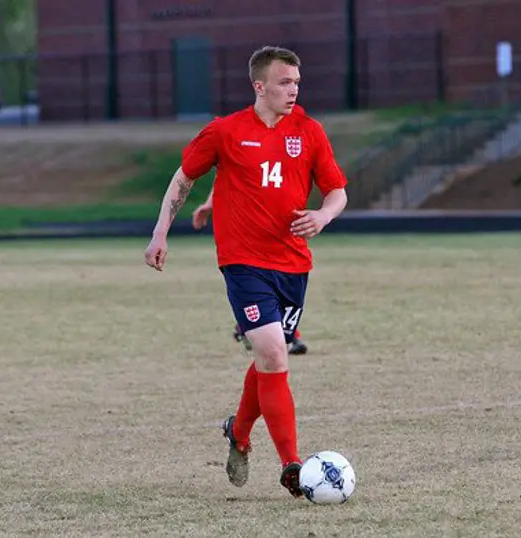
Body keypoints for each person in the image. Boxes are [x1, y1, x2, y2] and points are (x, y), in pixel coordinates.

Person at [144, 45, 348, 498]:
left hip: (294, 265)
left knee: (268, 359)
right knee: (275, 352)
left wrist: (323, 216)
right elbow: (183, 179)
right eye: (283, 82)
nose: (293, 90)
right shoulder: (225, 131)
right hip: (243, 263)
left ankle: (238, 430)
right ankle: (293, 465)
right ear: (260, 86)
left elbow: (337, 191)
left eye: (296, 82)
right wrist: (160, 233)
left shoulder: (310, 132)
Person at [192, 189, 309, 355]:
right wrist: (210, 203)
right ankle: (269, 331)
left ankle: (251, 327)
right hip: (247, 238)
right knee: (258, 291)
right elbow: (226, 173)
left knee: (278, 296)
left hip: (278, 238)